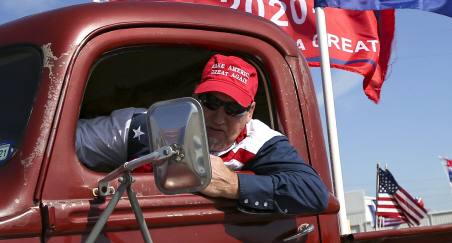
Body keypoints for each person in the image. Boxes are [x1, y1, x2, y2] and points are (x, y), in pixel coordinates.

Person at [75, 54, 329, 216]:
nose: (219, 117)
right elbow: (51, 147)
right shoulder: (145, 125)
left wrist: (231, 184)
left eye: (233, 108)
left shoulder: (260, 142)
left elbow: (314, 194)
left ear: (250, 111)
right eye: (210, 102)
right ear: (194, 98)